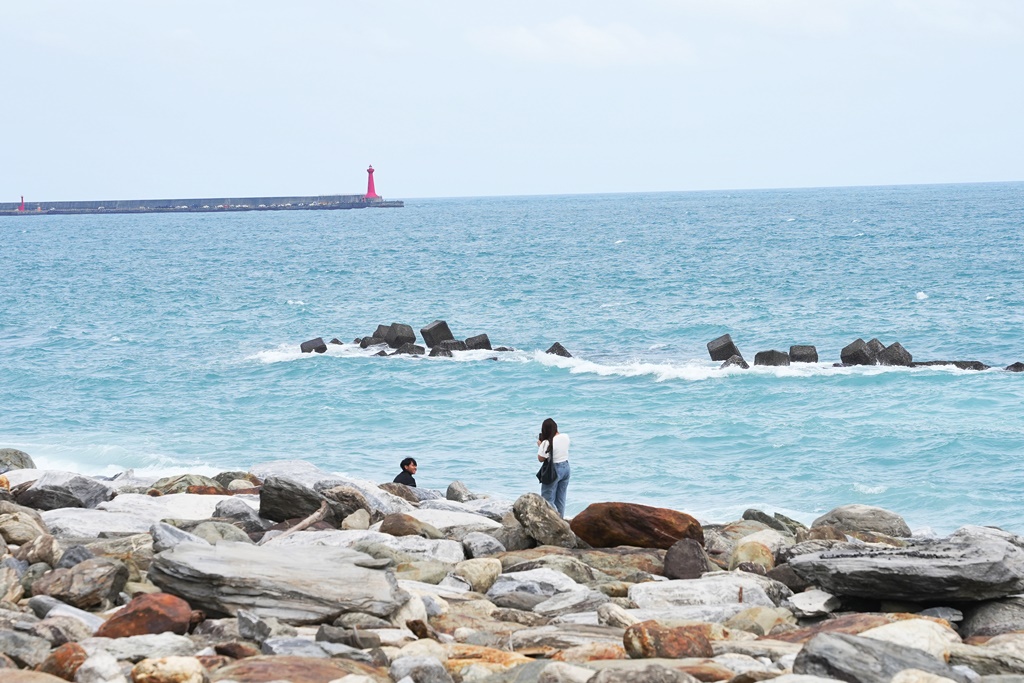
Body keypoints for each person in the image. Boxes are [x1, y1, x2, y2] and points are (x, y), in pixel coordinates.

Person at [536, 417, 570, 517]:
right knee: (561, 498)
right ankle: (561, 520)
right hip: (566, 467)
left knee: (547, 499)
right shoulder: (565, 437)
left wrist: (540, 446)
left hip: (553, 470)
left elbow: (541, 458)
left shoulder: (546, 443)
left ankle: (554, 520)